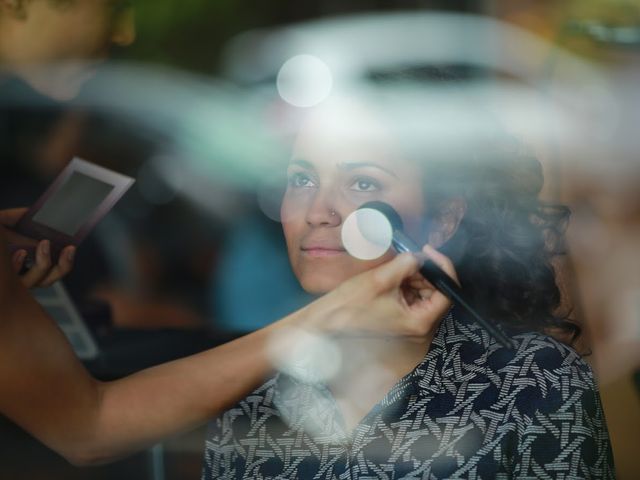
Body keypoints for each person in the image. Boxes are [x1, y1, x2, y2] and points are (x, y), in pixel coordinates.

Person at [202, 98, 615, 479]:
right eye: (302, 179)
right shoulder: (249, 390)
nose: (317, 213)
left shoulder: (536, 381)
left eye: (363, 184)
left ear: (444, 221)